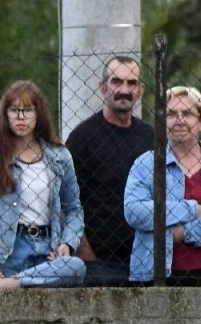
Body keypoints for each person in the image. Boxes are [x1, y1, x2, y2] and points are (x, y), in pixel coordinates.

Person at [0, 81, 85, 289]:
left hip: (47, 255)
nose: (21, 116)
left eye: (28, 110)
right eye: (14, 110)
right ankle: (8, 281)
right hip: (5, 255)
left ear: (38, 113)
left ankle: (4, 285)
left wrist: (67, 243)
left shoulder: (59, 156)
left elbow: (74, 210)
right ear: (5, 114)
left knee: (76, 267)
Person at [125, 86, 201, 286]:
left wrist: (185, 233)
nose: (179, 120)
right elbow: (134, 211)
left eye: (187, 113)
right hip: (156, 275)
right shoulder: (145, 164)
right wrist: (192, 209)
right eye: (171, 114)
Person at [65, 56, 152, 286]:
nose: (124, 89)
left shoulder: (152, 139)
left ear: (141, 90)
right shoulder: (82, 138)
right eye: (116, 82)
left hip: (146, 259)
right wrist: (87, 257)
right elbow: (67, 203)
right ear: (103, 87)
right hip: (99, 263)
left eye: (132, 83)